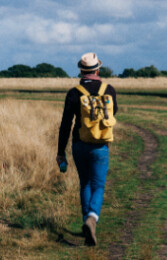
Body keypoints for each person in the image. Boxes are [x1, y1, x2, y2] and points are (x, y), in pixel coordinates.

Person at [57, 52, 118, 246]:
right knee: (98, 185)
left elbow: (65, 124)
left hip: (79, 145)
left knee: (85, 184)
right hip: (101, 145)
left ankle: (87, 222)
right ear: (98, 69)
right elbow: (113, 113)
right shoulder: (109, 90)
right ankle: (92, 218)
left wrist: (60, 152)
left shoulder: (74, 93)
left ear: (81, 71)